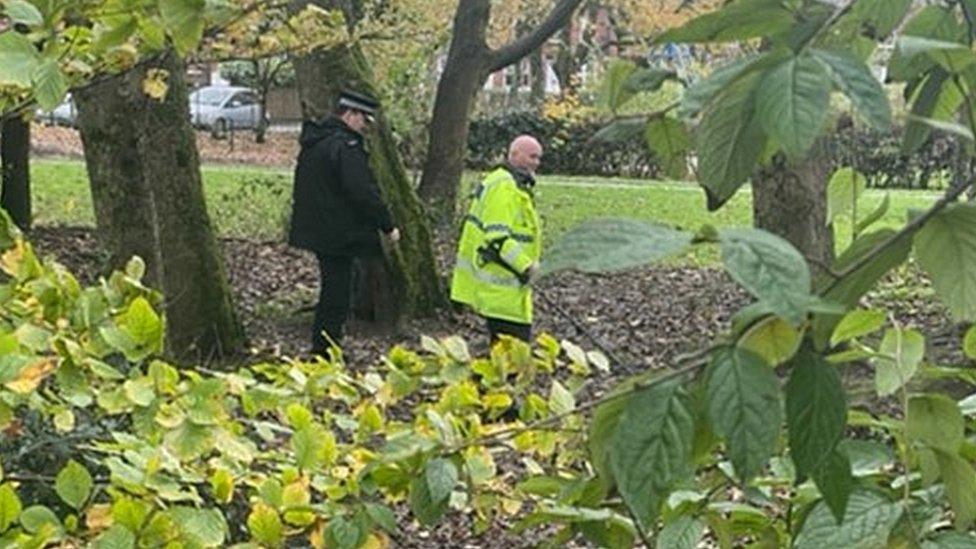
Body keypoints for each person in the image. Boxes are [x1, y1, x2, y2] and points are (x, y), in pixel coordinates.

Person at [288, 90, 400, 354]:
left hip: (320, 229)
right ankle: (325, 349)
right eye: (363, 119)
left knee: (336, 288)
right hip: (340, 233)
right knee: (338, 294)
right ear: (350, 114)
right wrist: (387, 224)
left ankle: (326, 345)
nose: (364, 126)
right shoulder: (345, 146)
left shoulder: (316, 142)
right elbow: (362, 192)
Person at [450, 135, 543, 345]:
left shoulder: (507, 183)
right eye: (532, 157)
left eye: (538, 158)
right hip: (503, 291)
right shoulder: (504, 186)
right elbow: (498, 237)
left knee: (505, 358)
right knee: (513, 359)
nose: (536, 163)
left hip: (506, 289)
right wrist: (527, 267)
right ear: (514, 154)